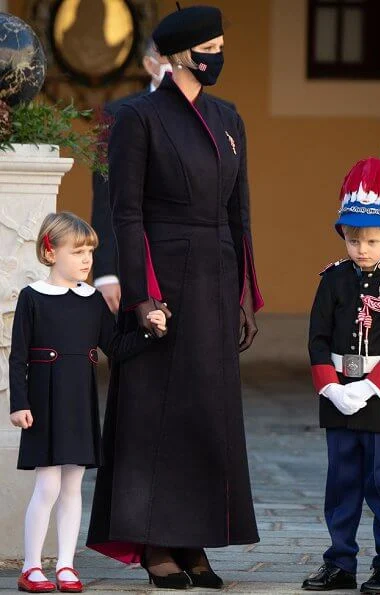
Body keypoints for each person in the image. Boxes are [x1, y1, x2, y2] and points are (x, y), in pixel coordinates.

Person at [86, 4, 264, 590]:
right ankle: (156, 543)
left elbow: (240, 213)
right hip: (163, 275)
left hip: (215, 278)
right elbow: (126, 212)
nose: (217, 55)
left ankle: (194, 541)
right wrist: (140, 296)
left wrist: (243, 293)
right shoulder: (137, 117)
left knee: (206, 415)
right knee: (154, 415)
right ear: (181, 54)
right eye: (208, 46)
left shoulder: (229, 117)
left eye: (220, 44)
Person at [10, 212, 166, 594]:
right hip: (44, 403)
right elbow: (17, 357)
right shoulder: (32, 298)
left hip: (79, 400)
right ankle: (32, 567)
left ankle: (65, 565)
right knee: (46, 486)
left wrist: (152, 333)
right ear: (50, 252)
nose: (86, 259)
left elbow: (114, 347)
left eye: (90, 252)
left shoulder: (93, 300)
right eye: (77, 251)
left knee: (73, 485)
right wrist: (19, 403)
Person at [302, 158, 380, 594]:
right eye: (353, 239)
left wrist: (369, 387)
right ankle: (340, 563)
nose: (361, 248)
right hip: (336, 396)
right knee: (341, 482)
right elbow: (317, 337)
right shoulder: (332, 279)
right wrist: (331, 386)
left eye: (371, 239)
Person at [91, 38, 173, 313]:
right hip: (135, 259)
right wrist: (105, 271)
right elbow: (105, 196)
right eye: (167, 60)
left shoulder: (216, 112)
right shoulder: (117, 113)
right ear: (149, 64)